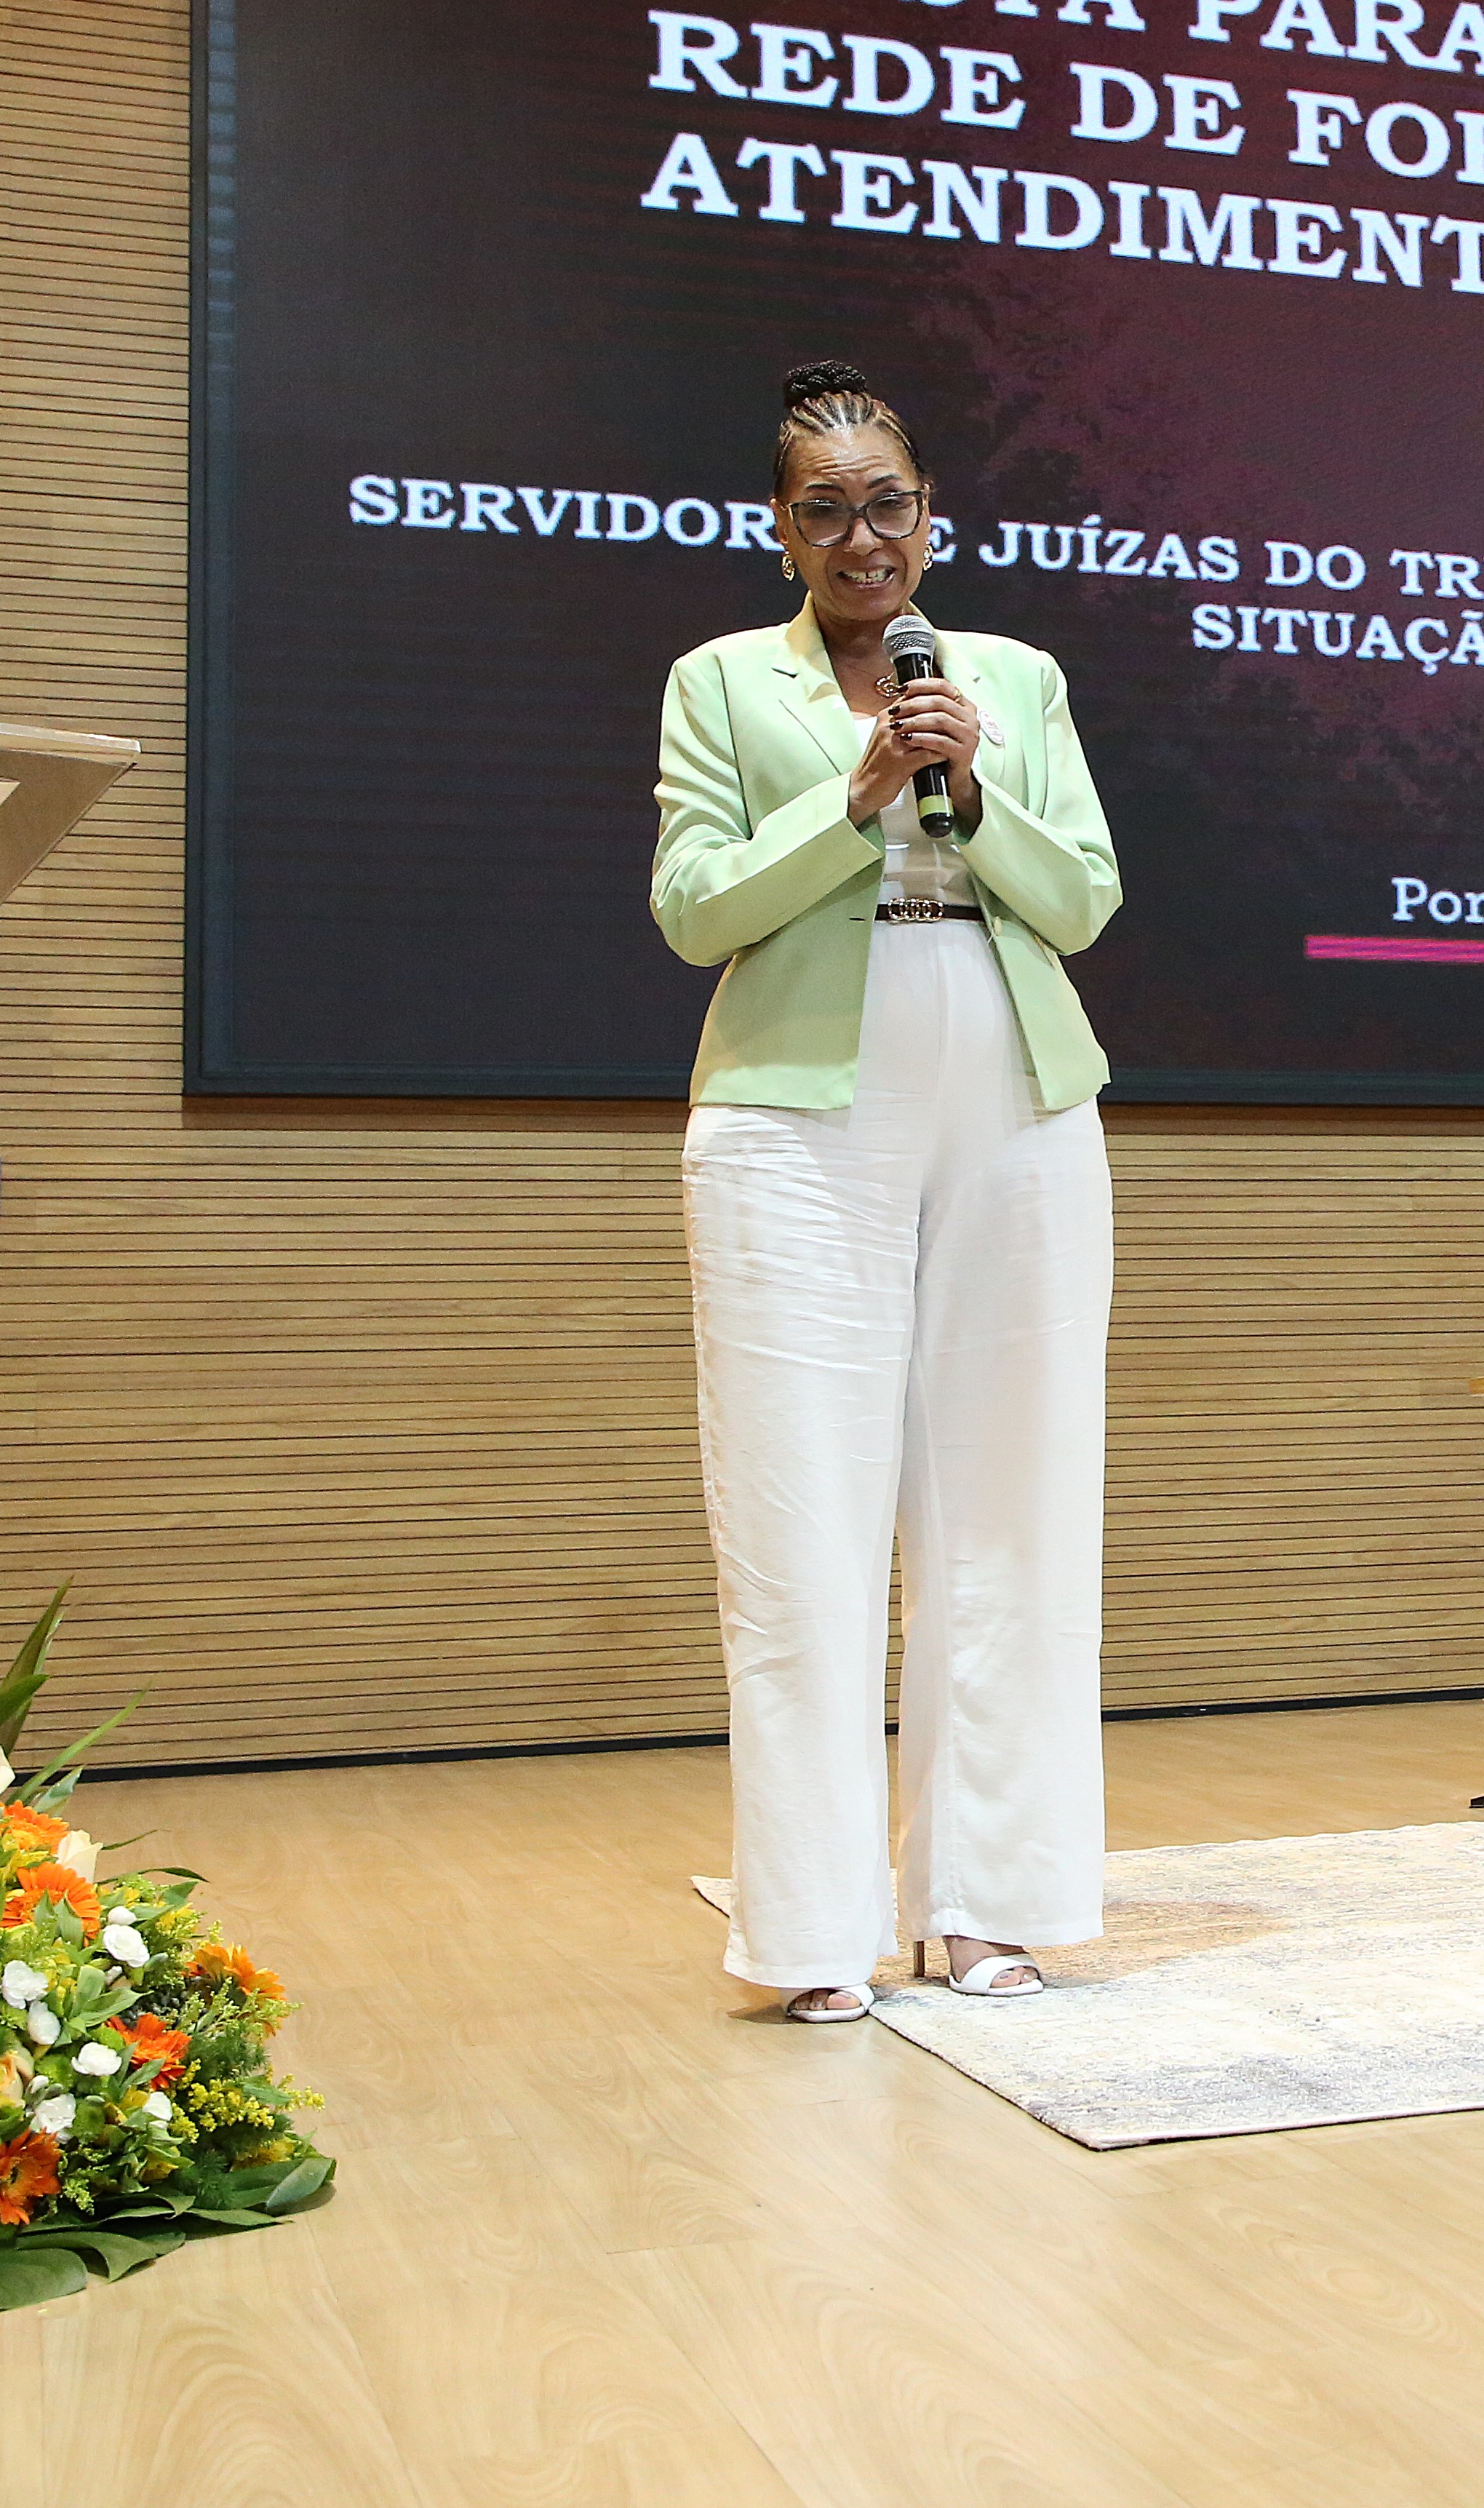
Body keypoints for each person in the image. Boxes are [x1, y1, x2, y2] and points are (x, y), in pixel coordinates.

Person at [653, 360, 1123, 2021]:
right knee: (804, 1531)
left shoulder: (1011, 676)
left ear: (933, 514)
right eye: (827, 507)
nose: (865, 538)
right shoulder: (721, 682)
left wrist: (972, 790)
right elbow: (695, 909)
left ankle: (990, 1904)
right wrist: (846, 804)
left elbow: (1081, 898)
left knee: (1013, 1514)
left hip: (1016, 1093)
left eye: (890, 503)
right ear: (780, 526)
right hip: (794, 1117)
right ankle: (810, 1933)